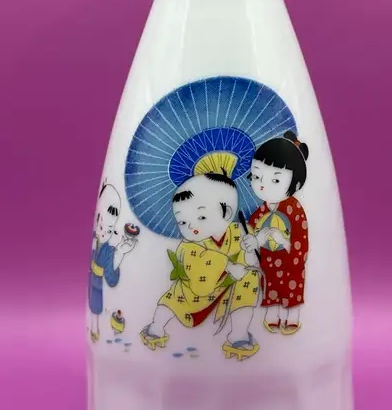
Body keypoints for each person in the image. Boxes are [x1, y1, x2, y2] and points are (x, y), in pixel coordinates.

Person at [140, 169, 262, 360]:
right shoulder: (189, 246)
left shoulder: (241, 232)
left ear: (227, 212)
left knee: (248, 282)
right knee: (175, 299)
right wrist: (227, 266)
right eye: (182, 222)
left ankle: (238, 334)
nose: (191, 227)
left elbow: (253, 262)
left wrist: (249, 250)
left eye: (201, 217)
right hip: (195, 289)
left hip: (230, 286)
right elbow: (198, 262)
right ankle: (156, 327)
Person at [242, 131, 309, 335]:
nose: (262, 185)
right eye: (257, 176)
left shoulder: (295, 209)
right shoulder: (260, 212)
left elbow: (301, 241)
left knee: (291, 288)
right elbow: (252, 231)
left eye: (276, 180)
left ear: (296, 185)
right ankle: (272, 315)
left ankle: (292, 316)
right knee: (270, 287)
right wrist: (254, 241)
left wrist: (284, 240)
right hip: (269, 261)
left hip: (290, 262)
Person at [88, 183, 136, 342]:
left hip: (98, 282)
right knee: (94, 309)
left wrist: (120, 253)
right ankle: (95, 332)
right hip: (93, 281)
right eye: (100, 223)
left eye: (109, 229)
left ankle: (100, 331)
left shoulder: (108, 250)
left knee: (97, 307)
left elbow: (111, 276)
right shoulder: (96, 241)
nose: (103, 231)